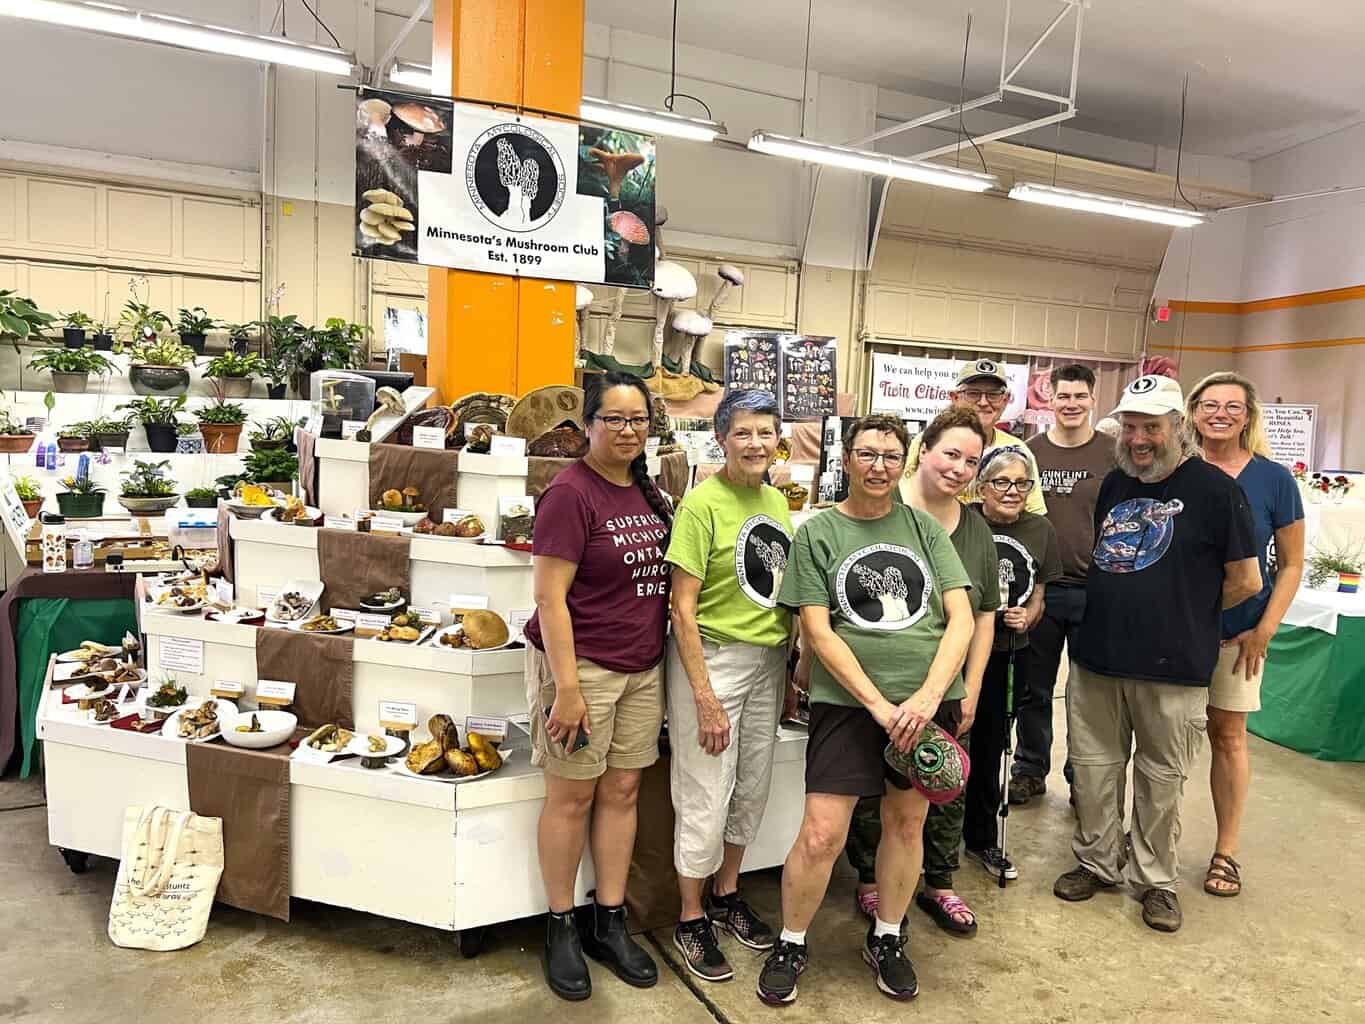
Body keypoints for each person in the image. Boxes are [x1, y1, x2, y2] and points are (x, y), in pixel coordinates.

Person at [757, 415, 974, 1005]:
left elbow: (958, 617)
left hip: (927, 705)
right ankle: (792, 940)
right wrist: (879, 706)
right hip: (849, 705)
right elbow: (817, 630)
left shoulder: (925, 530)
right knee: (823, 832)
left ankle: (887, 936)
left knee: (907, 825)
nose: (878, 465)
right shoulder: (819, 532)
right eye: (866, 453)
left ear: (903, 461)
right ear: (846, 461)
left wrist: (929, 697)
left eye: (889, 454)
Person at [1055, 374, 1260, 934]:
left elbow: (1245, 579)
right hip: (1097, 655)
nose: (1139, 437)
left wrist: (1186, 607)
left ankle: (1154, 880)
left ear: (1180, 428)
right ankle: (1096, 862)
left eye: (1151, 427)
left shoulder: (1218, 493)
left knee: (1160, 777)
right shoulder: (1118, 483)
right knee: (1094, 770)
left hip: (1174, 665)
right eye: (1131, 426)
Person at [524, 371, 673, 1000]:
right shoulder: (570, 493)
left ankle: (608, 919)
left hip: (642, 669)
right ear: (588, 425)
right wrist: (566, 688)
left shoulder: (651, 492)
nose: (627, 430)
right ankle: (560, 925)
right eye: (613, 419)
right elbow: (549, 598)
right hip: (580, 669)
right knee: (572, 799)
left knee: (623, 790)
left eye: (637, 419)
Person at [844, 407, 998, 936]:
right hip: (877, 684)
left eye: (971, 461)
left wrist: (971, 687)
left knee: (941, 779)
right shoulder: (881, 511)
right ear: (924, 450)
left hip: (946, 686)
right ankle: (870, 880)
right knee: (872, 792)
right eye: (950, 454)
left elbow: (982, 616)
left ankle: (940, 881)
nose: (959, 468)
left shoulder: (975, 528)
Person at [664, 389, 795, 981]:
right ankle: (690, 914)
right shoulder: (701, 505)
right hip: (714, 661)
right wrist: (704, 696)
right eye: (743, 433)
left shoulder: (775, 501)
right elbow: (681, 609)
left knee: (752, 784)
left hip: (768, 660)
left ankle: (726, 892)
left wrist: (790, 667)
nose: (756, 443)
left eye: (765, 432)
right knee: (705, 789)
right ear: (722, 439)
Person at [1186, 371, 1304, 897]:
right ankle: (1144, 841)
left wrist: (1264, 629)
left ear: (1248, 416)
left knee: (1228, 738)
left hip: (1238, 637)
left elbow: (1293, 563)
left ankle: (1225, 852)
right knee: (1159, 740)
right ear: (1192, 412)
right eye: (1210, 404)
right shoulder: (1177, 471)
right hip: (1176, 632)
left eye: (1232, 406)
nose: (1220, 414)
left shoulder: (1274, 480)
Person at [1010, 364, 1117, 806]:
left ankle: (1081, 777)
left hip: (1097, 589)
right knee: (1034, 686)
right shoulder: (1030, 453)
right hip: (1042, 589)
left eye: (1079, 396)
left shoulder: (1113, 454)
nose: (1071, 404)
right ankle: (1030, 768)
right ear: (1049, 400)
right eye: (1063, 396)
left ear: (1093, 400)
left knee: (1086, 693)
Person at [964, 446, 1061, 878]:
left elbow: (1039, 592)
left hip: (1010, 654)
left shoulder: (1040, 530)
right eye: (1001, 482)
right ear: (981, 487)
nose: (1012, 491)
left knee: (992, 744)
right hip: (961, 651)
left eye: (1022, 483)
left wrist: (1029, 616)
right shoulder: (964, 521)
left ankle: (981, 836)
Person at [905, 358, 1047, 515]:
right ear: (954, 397)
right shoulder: (925, 441)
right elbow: (906, 494)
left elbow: (1034, 513)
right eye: (973, 393)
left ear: (1005, 400)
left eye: (993, 394)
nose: (983, 402)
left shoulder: (1018, 450)